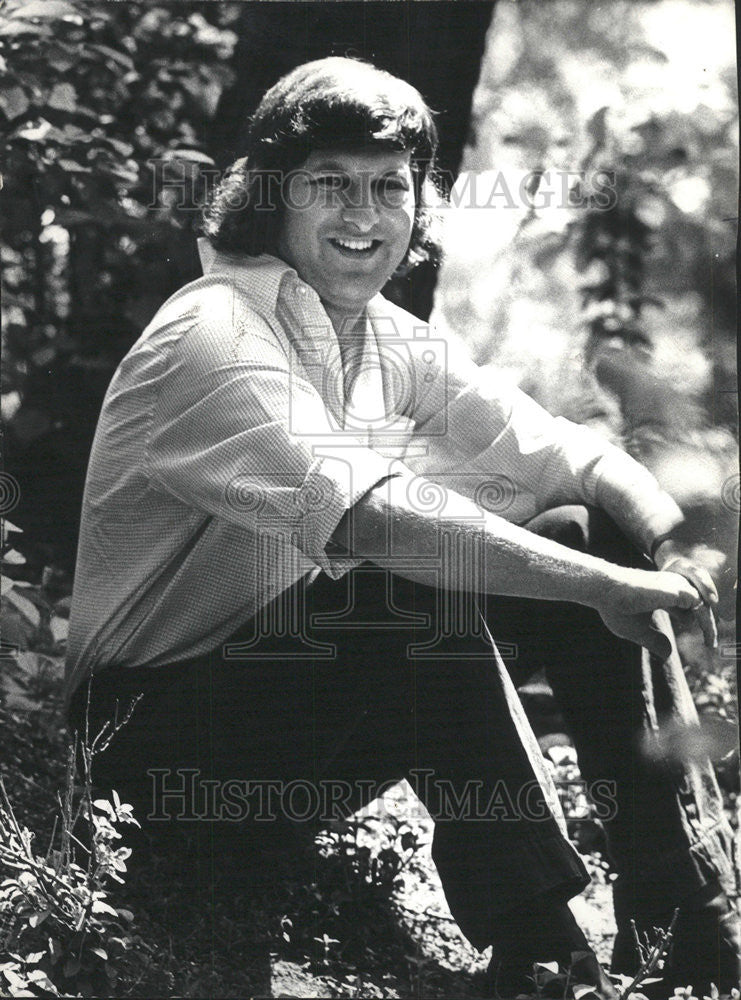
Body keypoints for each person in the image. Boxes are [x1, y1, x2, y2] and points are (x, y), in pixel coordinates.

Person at [65, 58, 739, 997]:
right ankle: (544, 953)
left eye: (390, 187)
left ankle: (688, 930)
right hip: (146, 753)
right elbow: (377, 518)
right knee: (405, 589)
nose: (364, 216)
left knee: (588, 529)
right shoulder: (213, 333)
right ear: (269, 196)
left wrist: (671, 549)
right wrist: (608, 592)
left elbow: (566, 455)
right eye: (330, 184)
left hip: (299, 714)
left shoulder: (381, 334)